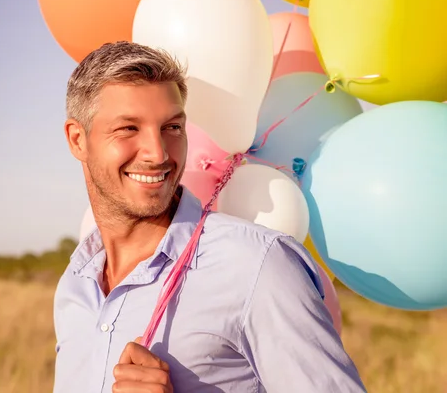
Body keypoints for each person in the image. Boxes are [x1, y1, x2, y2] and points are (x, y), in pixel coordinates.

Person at [53, 41, 367, 393]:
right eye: (128, 128)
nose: (158, 153)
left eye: (172, 127)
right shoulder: (75, 286)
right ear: (77, 139)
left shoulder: (258, 265)